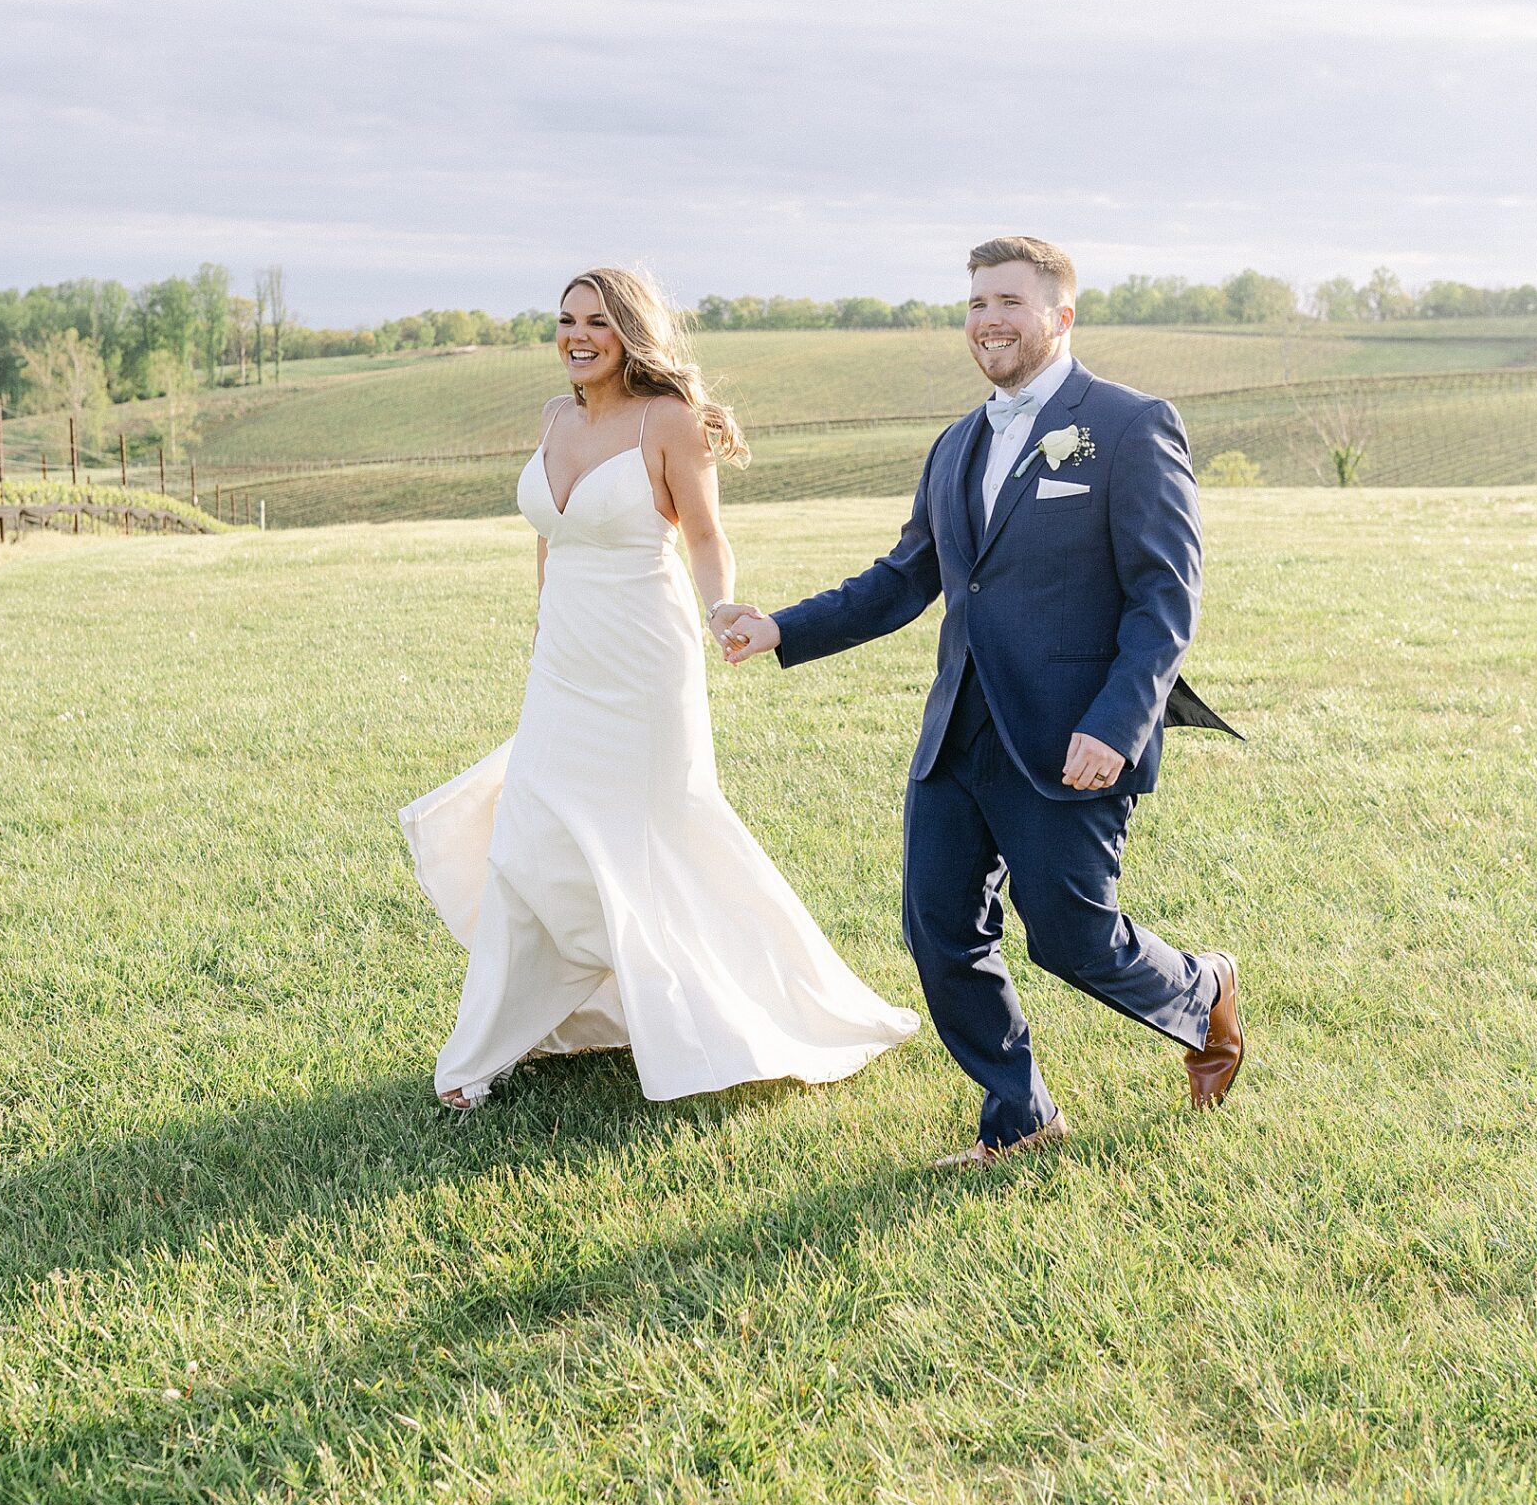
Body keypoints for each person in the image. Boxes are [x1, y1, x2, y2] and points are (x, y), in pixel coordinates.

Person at [719, 234, 1242, 1166]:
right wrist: (783, 628)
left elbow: (1166, 595)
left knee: (1074, 939)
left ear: (1059, 316)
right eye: (974, 304)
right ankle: (1023, 1117)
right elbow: (904, 577)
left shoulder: (1127, 424)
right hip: (958, 735)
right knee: (937, 933)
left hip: (1070, 735)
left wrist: (1117, 724)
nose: (987, 321)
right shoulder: (957, 442)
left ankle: (1201, 993)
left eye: (1008, 302)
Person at [399, 265, 919, 1113]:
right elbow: (551, 538)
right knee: (527, 842)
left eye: (596, 322)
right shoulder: (551, 418)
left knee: (658, 836)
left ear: (630, 334)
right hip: (564, 662)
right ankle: (488, 1046)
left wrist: (723, 609)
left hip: (644, 660)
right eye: (565, 320)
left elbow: (705, 535)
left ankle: (727, 1008)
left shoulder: (666, 421)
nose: (576, 335)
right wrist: (542, 624)